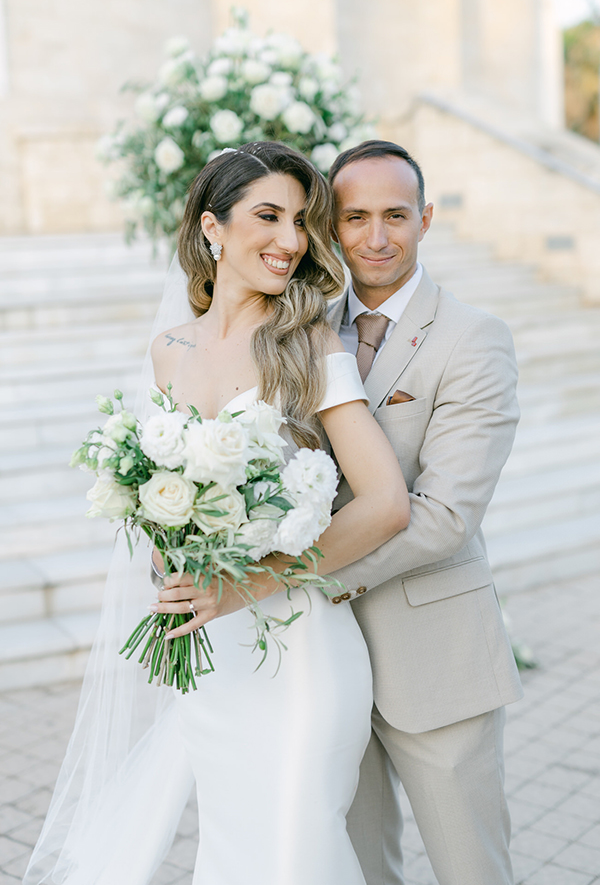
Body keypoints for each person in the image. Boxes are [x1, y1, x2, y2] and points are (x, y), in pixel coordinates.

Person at [23, 142, 409, 885]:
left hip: (298, 653)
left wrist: (243, 586)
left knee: (298, 852)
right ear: (212, 228)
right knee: (234, 854)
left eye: (301, 221)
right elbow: (165, 493)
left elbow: (387, 504)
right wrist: (173, 564)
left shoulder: (308, 342)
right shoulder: (169, 349)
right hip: (214, 663)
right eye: (268, 216)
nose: (292, 240)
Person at [323, 140, 524, 885]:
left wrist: (299, 580)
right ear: (331, 227)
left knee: (472, 870)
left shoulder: (474, 339)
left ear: (426, 218)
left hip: (434, 657)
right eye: (356, 217)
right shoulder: (302, 332)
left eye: (396, 215)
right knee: (358, 865)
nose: (377, 237)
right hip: (325, 668)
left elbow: (444, 515)